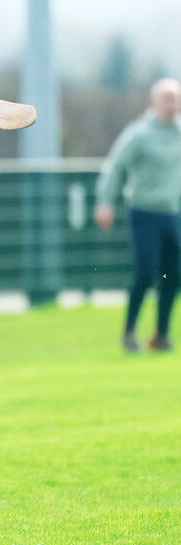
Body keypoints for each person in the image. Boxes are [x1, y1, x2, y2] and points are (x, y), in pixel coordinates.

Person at [95, 78, 181, 353]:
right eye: (167, 98)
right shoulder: (140, 134)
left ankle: (161, 335)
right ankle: (129, 332)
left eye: (176, 98)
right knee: (145, 272)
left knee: (172, 276)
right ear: (154, 102)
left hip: (171, 213)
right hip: (143, 212)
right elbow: (115, 166)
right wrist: (105, 202)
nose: (172, 103)